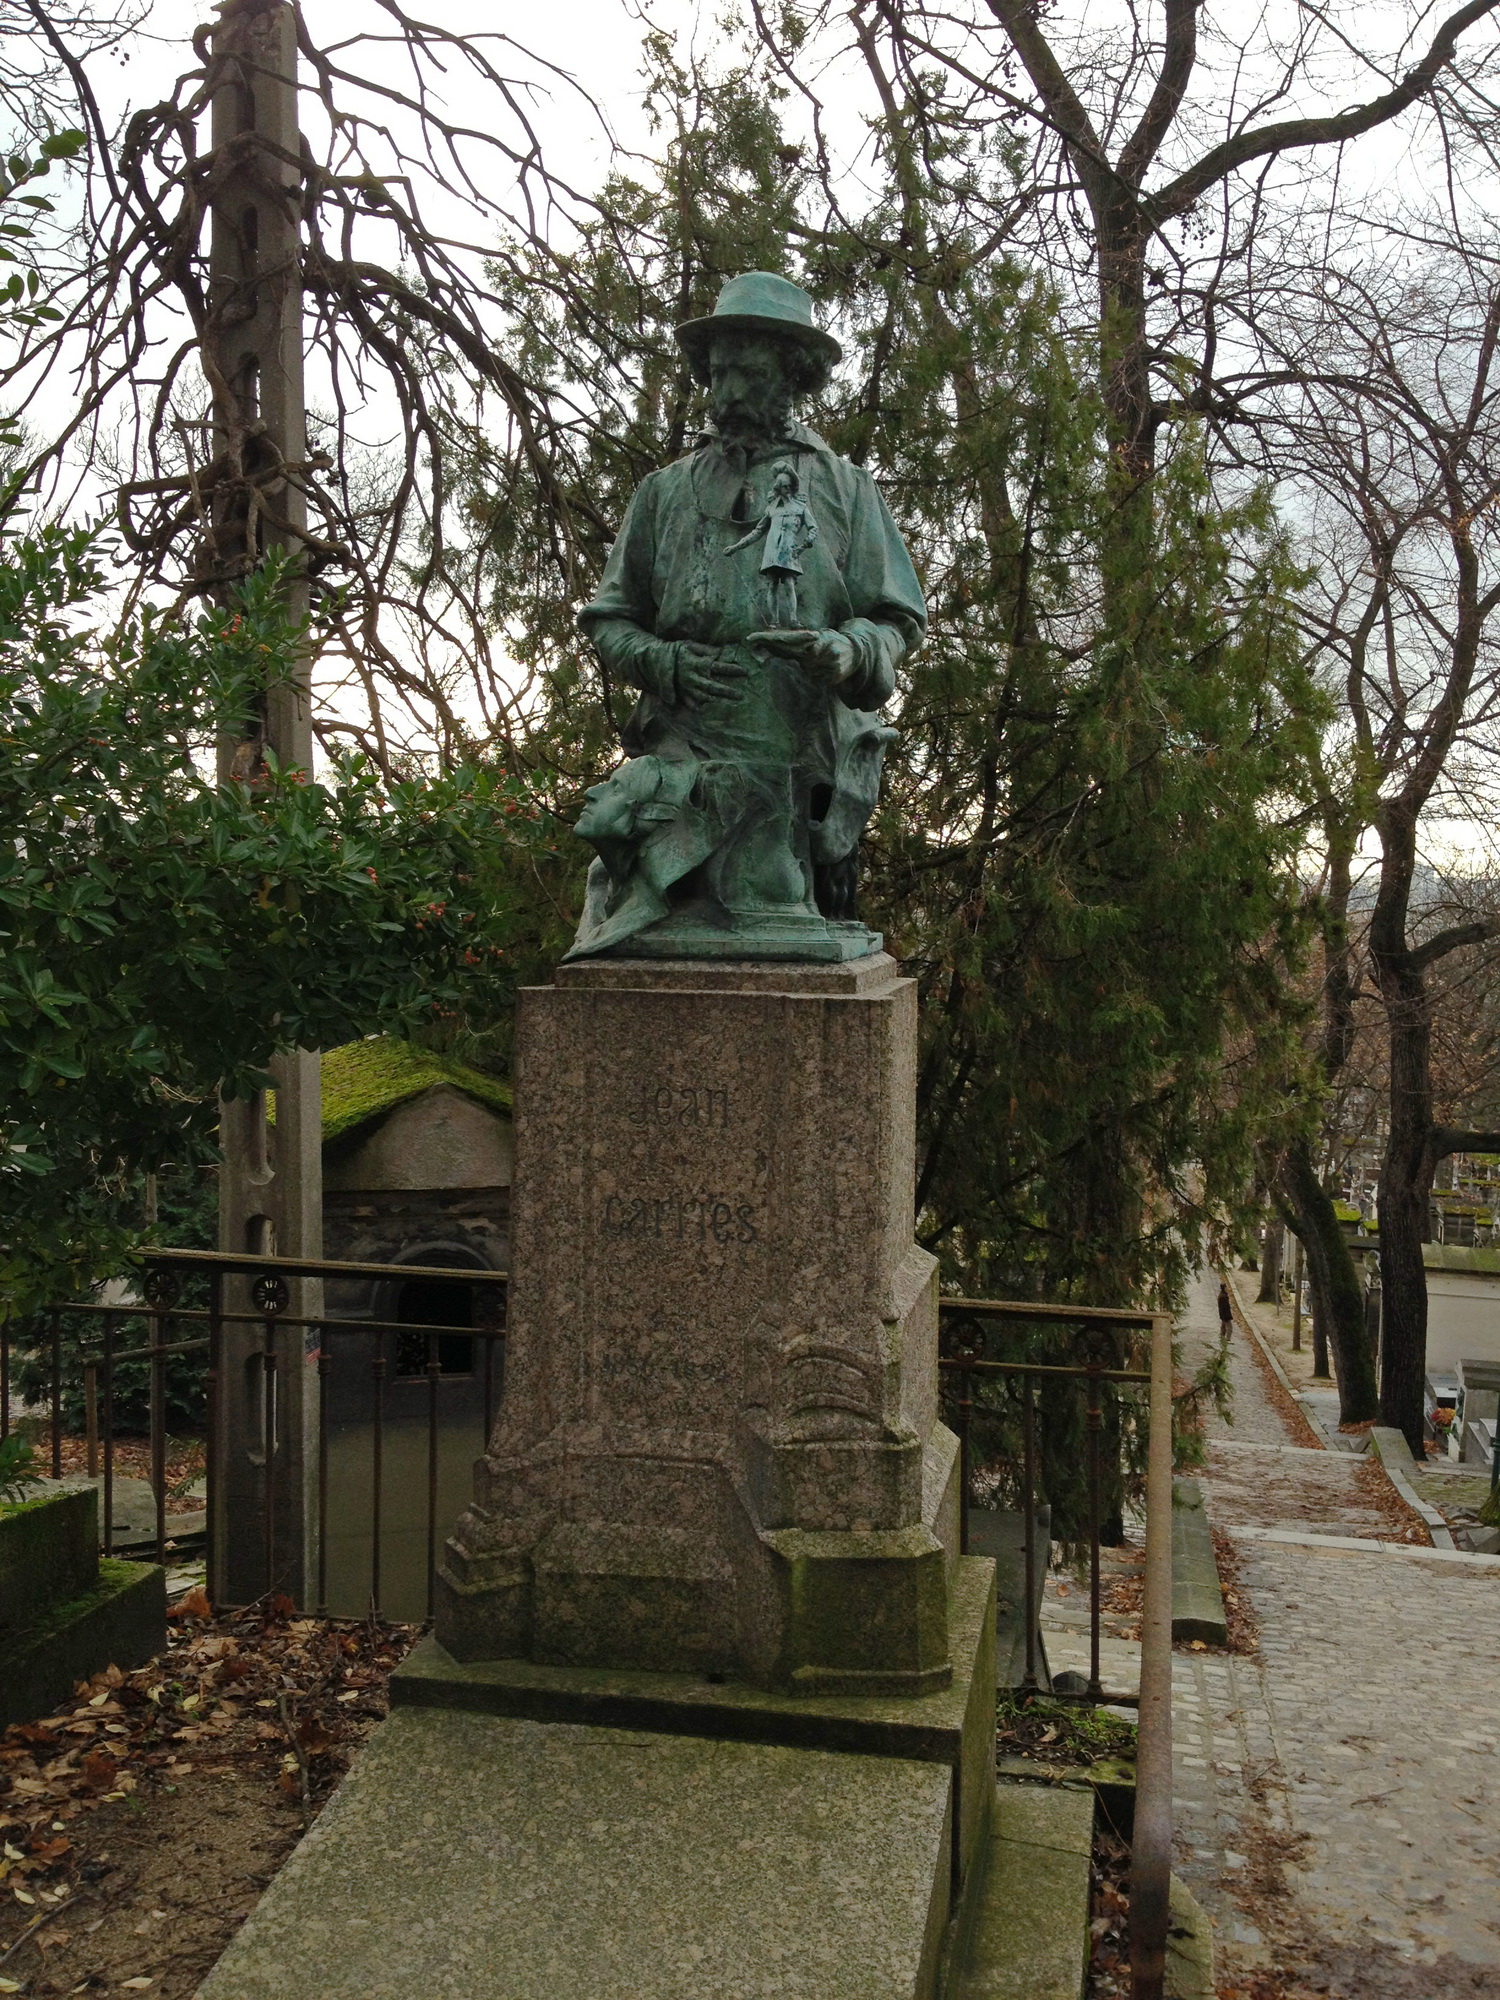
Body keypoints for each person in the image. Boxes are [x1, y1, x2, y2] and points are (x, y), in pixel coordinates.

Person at [566, 270, 924, 961]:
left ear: (792, 376)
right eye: (719, 372)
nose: (728, 392)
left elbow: (897, 617)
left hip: (801, 742)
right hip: (683, 742)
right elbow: (608, 619)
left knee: (777, 912)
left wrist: (849, 652)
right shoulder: (662, 493)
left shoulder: (846, 491)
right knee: (637, 920)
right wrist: (664, 661)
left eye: (749, 374)